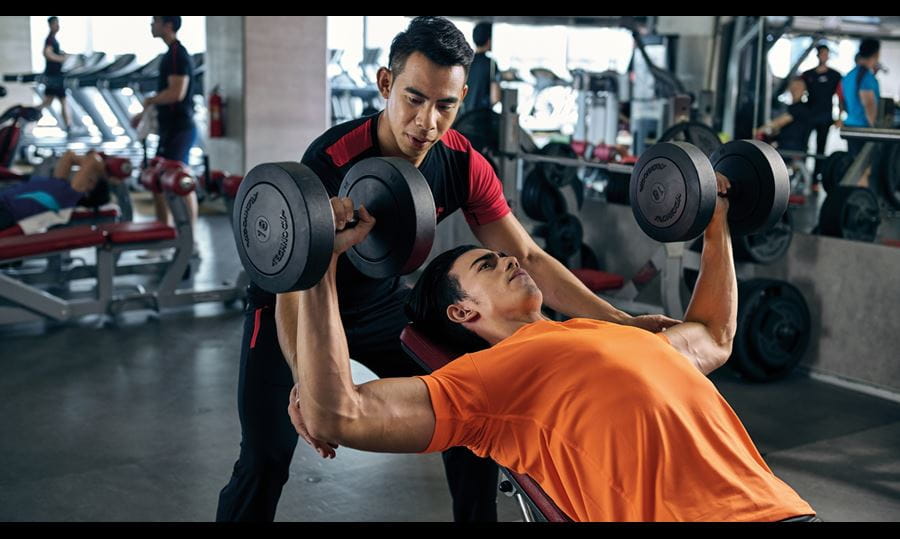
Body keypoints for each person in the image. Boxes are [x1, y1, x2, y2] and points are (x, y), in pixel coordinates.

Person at [215, 16, 678, 523]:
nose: (427, 123)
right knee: (265, 459)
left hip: (379, 303)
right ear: (386, 85)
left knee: (473, 415)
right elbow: (294, 287)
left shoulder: (463, 163)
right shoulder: (333, 158)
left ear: (463, 99)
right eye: (414, 98)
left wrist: (622, 321)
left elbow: (528, 256)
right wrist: (308, 384)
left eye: (445, 105)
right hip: (295, 301)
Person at [282, 172, 819, 522]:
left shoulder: (609, 333)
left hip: (787, 511)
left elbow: (714, 335)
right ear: (463, 312)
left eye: (502, 257)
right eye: (486, 265)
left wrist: (716, 219)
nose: (509, 259)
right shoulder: (487, 378)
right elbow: (340, 415)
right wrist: (321, 261)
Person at [132, 16, 198, 239]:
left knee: (181, 183)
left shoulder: (178, 54)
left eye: (155, 21)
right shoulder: (170, 54)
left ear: (167, 25)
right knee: (157, 182)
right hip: (169, 129)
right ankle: (164, 236)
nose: (151, 25)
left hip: (180, 129)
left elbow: (176, 93)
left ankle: (190, 239)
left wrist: (148, 103)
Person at [0, 150, 105, 230]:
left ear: (88, 192)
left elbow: (93, 160)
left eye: (90, 179)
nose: (82, 173)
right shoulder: (60, 183)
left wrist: (102, 170)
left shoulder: (70, 195)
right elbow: (69, 155)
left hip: (6, 211)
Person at [801, 44, 844, 188]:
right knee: (803, 145)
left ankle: (815, 180)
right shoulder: (808, 75)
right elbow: (797, 89)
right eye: (822, 53)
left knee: (821, 148)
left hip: (825, 117)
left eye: (827, 54)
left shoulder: (835, 75)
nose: (824, 56)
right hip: (808, 115)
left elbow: (840, 96)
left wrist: (840, 116)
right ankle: (802, 176)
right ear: (818, 55)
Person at [842, 38, 881, 157]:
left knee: (854, 163)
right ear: (875, 54)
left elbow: (844, 101)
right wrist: (874, 128)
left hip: (850, 124)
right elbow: (868, 103)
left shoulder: (849, 75)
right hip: (862, 128)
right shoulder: (866, 77)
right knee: (864, 167)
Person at [756, 77, 812, 153]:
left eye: (798, 87)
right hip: (787, 148)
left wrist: (759, 130)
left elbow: (779, 122)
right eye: (794, 87)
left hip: (792, 151)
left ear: (804, 90)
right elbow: (778, 128)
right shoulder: (792, 107)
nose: (795, 89)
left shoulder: (800, 108)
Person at [462, 22, 501, 114]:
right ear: (489, 41)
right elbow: (495, 98)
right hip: (482, 119)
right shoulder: (491, 64)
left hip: (464, 120)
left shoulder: (465, 62)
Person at [40, 16, 70, 134]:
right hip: (54, 76)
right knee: (62, 100)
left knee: (48, 101)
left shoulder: (53, 39)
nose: (58, 26)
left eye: (58, 24)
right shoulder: (50, 39)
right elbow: (47, 53)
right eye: (55, 24)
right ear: (51, 25)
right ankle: (69, 127)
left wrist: (61, 54)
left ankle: (27, 116)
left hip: (54, 75)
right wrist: (61, 58)